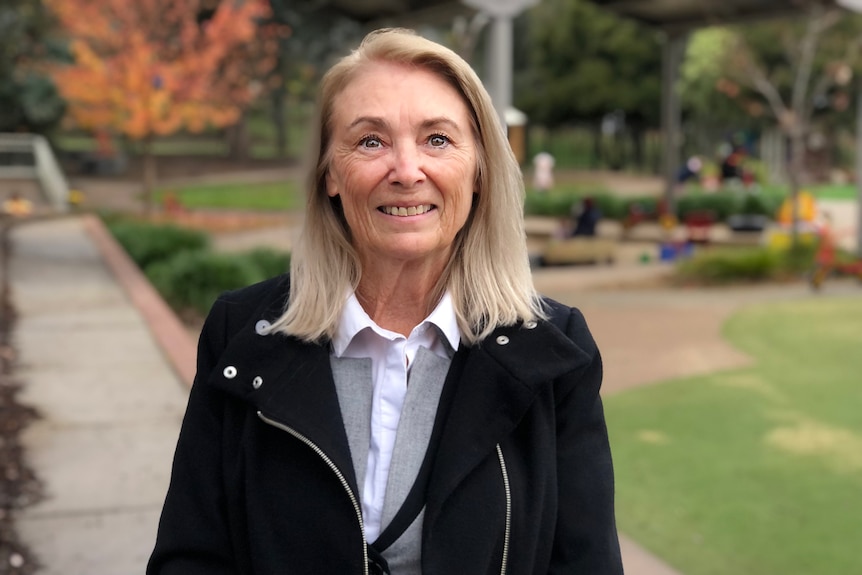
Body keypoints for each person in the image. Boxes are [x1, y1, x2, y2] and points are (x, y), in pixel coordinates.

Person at [148, 28, 622, 575]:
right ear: (329, 173)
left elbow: (587, 564)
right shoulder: (243, 333)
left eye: (437, 140)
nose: (405, 171)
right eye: (370, 141)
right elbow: (191, 555)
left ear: (479, 172)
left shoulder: (555, 354)